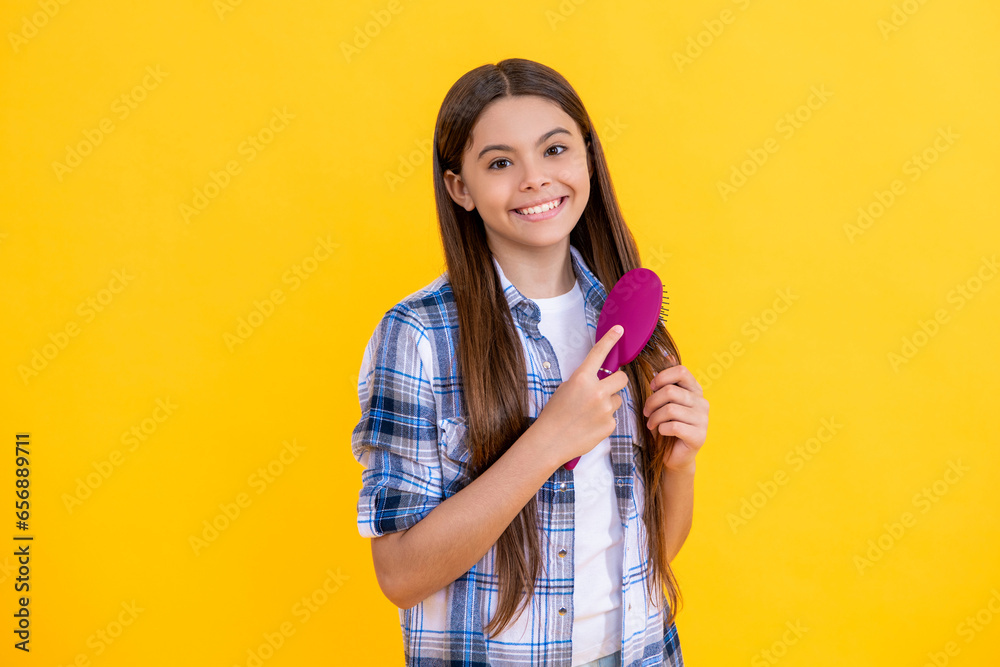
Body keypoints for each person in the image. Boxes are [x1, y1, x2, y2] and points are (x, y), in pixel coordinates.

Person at [351, 57, 709, 667]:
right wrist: (548, 440)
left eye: (554, 150)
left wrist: (681, 466)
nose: (535, 179)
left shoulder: (633, 327)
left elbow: (650, 560)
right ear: (459, 187)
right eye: (499, 162)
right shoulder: (418, 337)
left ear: (587, 159)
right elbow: (401, 575)